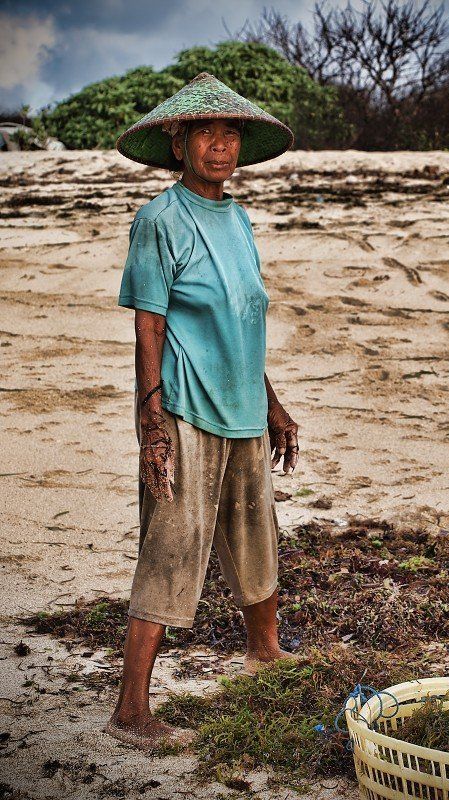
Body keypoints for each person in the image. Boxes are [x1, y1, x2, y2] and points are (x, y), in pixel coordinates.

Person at [105, 72, 300, 750]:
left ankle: (264, 652)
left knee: (256, 538)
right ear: (179, 142)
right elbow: (149, 326)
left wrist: (272, 403)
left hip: (243, 406)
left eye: (232, 133)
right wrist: (151, 422)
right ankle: (131, 710)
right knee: (171, 549)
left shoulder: (238, 216)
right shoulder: (161, 218)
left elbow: (241, 318)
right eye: (207, 134)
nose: (222, 146)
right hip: (186, 409)